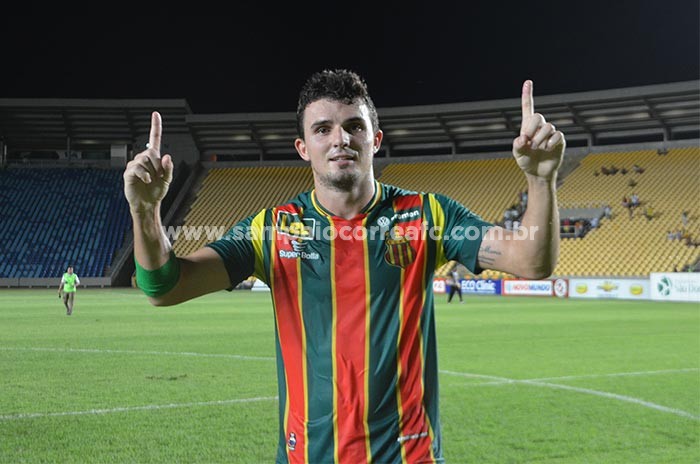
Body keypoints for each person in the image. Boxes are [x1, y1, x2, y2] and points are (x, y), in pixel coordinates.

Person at [123, 70, 565, 463]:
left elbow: (530, 260)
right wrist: (145, 213)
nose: (340, 139)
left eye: (354, 126)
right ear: (303, 147)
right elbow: (166, 288)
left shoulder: (427, 216)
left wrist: (541, 179)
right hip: (309, 455)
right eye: (323, 129)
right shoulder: (273, 229)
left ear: (375, 138)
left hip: (409, 454)